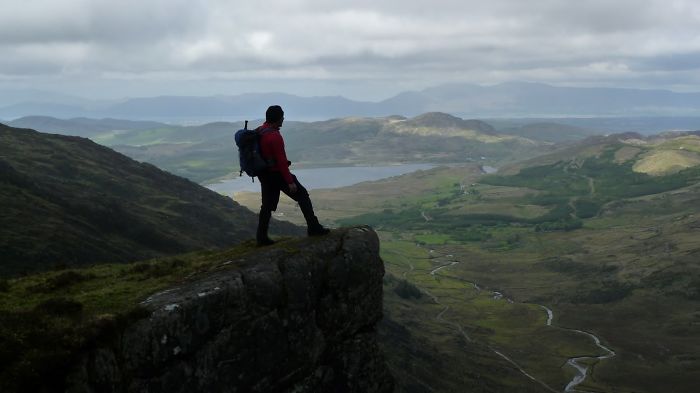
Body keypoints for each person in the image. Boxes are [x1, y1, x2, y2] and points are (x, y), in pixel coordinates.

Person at [255, 105, 330, 246]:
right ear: (277, 118)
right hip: (277, 174)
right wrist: (290, 181)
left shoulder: (260, 131)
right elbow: (281, 161)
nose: (283, 119)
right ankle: (313, 227)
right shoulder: (274, 136)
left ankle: (261, 237)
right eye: (282, 116)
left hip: (265, 174)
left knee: (266, 206)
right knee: (302, 195)